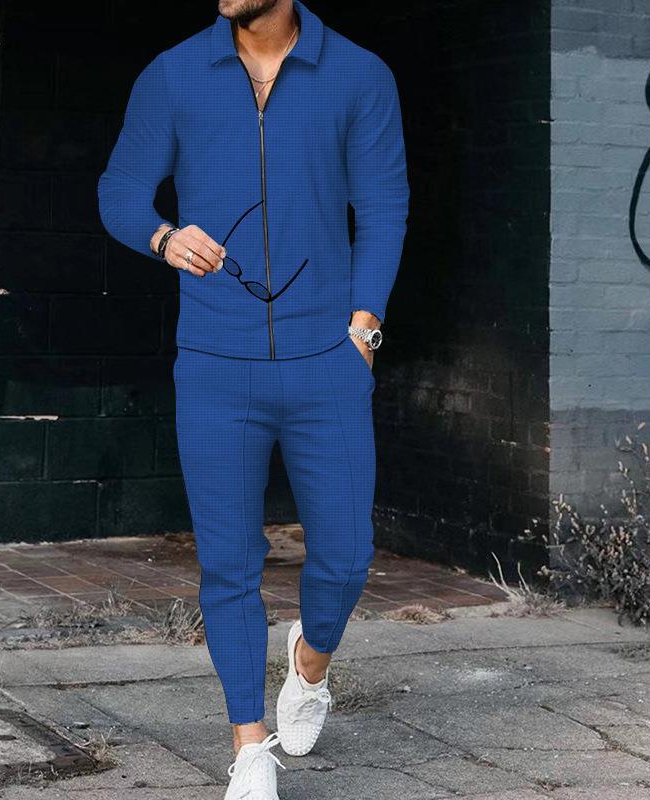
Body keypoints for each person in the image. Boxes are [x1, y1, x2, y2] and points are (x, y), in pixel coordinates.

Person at [98, 1, 409, 796]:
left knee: (346, 555)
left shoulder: (359, 76)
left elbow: (383, 207)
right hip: (215, 365)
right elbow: (120, 189)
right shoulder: (174, 75)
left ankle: (310, 665)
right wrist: (163, 237)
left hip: (326, 364)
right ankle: (249, 747)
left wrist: (363, 331)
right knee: (229, 562)